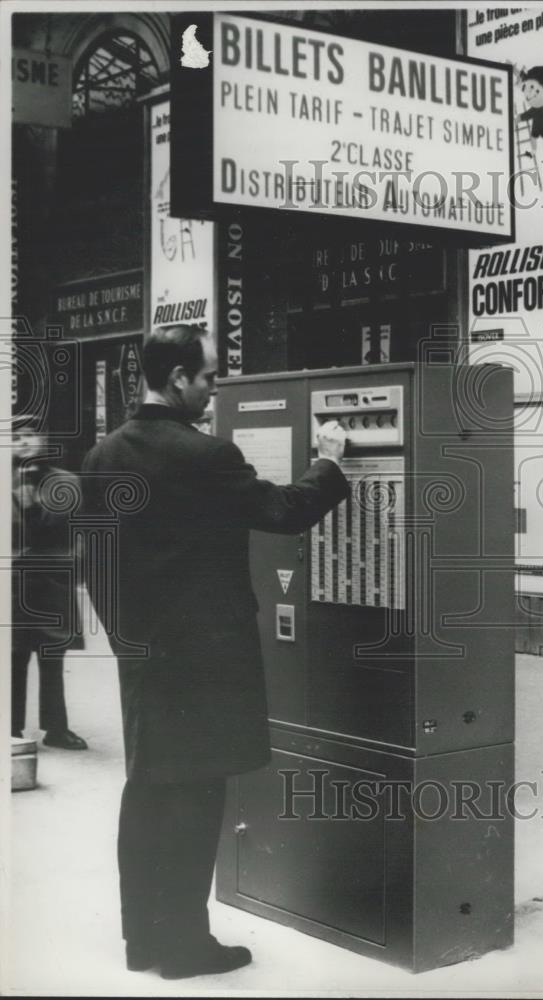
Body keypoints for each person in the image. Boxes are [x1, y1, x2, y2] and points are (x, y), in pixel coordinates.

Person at [81, 325, 349, 980]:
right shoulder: (207, 455)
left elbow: (96, 568)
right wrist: (330, 463)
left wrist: (130, 643)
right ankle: (185, 947)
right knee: (197, 800)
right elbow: (284, 511)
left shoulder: (101, 457)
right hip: (205, 663)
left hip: (145, 659)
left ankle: (143, 942)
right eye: (208, 377)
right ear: (177, 379)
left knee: (147, 793)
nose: (212, 389)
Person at [11, 414, 88, 751]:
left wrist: (28, 500)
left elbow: (53, 524)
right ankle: (10, 727)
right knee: (13, 657)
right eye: (16, 437)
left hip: (50, 580)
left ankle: (56, 727)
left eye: (31, 435)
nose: (24, 442)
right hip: (13, 584)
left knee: (52, 656)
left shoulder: (64, 481)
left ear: (45, 441)